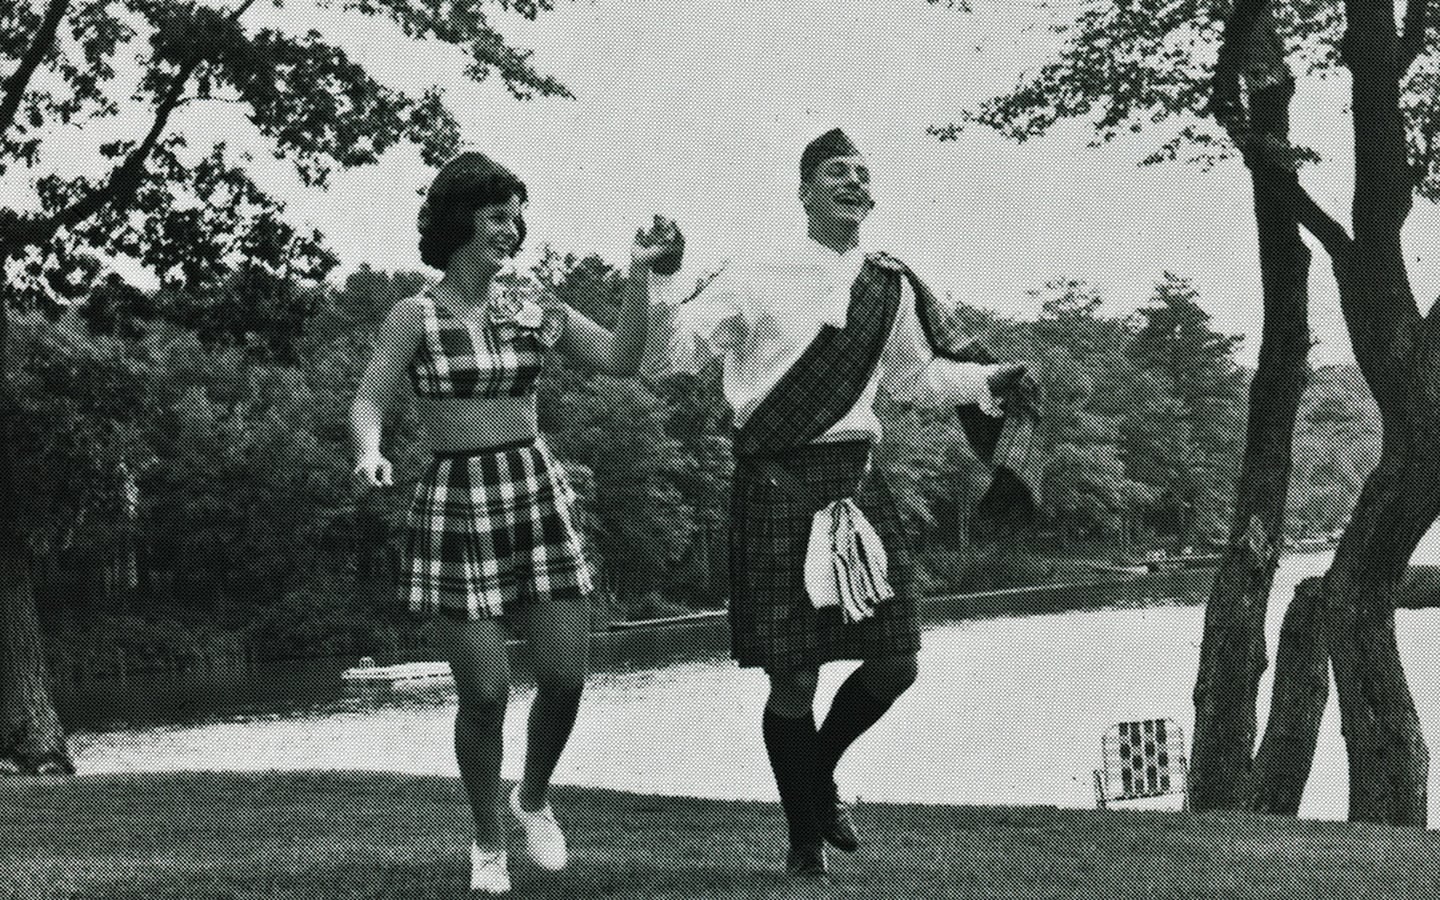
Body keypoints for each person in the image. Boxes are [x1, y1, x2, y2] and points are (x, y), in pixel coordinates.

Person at [641, 129, 1037, 878]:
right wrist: (664, 282)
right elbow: (670, 356)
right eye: (835, 172)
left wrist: (991, 380)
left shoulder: (890, 284)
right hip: (775, 485)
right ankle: (802, 846)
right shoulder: (753, 274)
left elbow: (914, 381)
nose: (853, 182)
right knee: (793, 678)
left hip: (857, 485)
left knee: (897, 663)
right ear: (804, 193)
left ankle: (815, 780)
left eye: (862, 173)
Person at [349, 151, 679, 894]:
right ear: (460, 219)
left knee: (564, 677)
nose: (513, 228)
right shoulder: (415, 315)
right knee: (487, 695)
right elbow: (368, 399)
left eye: (517, 215)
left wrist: (638, 274)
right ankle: (487, 840)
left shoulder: (533, 302)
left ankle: (532, 797)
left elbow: (624, 360)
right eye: (498, 215)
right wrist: (369, 451)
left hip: (533, 491)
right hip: (457, 503)